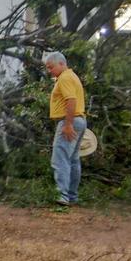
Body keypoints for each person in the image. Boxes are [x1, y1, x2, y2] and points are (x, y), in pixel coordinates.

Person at [44, 51, 87, 206]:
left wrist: (68, 125)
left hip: (70, 120)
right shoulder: (72, 76)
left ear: (61, 64)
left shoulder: (65, 78)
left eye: (51, 67)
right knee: (73, 159)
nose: (49, 71)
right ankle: (72, 196)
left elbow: (71, 101)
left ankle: (63, 195)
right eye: (47, 68)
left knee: (60, 159)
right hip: (80, 120)